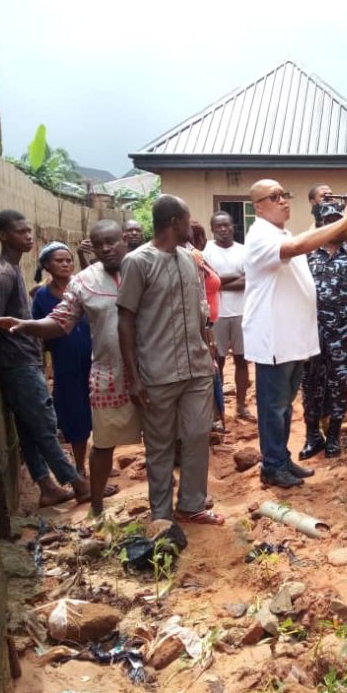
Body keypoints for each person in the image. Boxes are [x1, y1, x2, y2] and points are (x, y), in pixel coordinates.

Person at [0, 221, 140, 517]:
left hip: (152, 374)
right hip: (107, 374)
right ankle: (95, 507)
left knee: (163, 442)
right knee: (102, 441)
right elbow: (60, 321)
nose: (106, 248)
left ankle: (164, 508)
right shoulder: (82, 282)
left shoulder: (145, 268)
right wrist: (25, 325)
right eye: (99, 244)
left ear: (124, 241)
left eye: (111, 242)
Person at [244, 179, 347, 488]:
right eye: (274, 196)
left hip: (292, 341)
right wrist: (346, 222)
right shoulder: (259, 236)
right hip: (273, 340)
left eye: (285, 194)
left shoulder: (280, 232)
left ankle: (281, 459)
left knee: (284, 406)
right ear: (258, 206)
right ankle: (271, 466)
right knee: (273, 407)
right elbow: (298, 248)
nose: (283, 200)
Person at [117, 195, 223, 526]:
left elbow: (200, 311)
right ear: (174, 222)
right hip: (158, 372)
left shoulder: (190, 259)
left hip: (197, 368)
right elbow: (125, 320)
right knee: (160, 447)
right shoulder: (138, 262)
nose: (192, 225)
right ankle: (161, 514)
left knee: (196, 435)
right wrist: (133, 377)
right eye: (188, 218)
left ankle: (191, 504)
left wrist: (210, 350)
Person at [0, 210, 90, 507]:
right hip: (17, 362)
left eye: (29, 231)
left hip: (22, 360)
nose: (28, 236)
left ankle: (47, 486)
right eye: (21, 232)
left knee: (28, 427)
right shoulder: (3, 273)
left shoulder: (12, 269)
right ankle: (78, 483)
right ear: (3, 235)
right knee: (44, 424)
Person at [299, 204, 347, 459]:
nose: (334, 224)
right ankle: (312, 435)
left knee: (338, 384)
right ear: (321, 223)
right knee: (310, 384)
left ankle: (333, 435)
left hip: (343, 333)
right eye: (328, 220)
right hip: (311, 332)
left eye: (338, 219)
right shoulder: (307, 254)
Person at [31, 242, 93, 474]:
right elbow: (39, 332)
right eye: (59, 260)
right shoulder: (42, 297)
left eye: (68, 260)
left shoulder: (84, 287)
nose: (66, 264)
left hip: (94, 361)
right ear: (47, 265)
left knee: (100, 413)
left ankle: (100, 461)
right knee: (75, 416)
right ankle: (80, 468)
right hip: (65, 365)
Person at [202, 212, 253, 421]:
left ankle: (241, 406)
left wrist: (220, 281)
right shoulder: (206, 252)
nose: (223, 229)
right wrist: (232, 279)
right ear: (212, 229)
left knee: (242, 361)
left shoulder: (244, 251)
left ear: (233, 227)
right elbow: (207, 282)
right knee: (217, 362)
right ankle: (218, 411)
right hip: (217, 315)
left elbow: (250, 280)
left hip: (242, 312)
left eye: (226, 225)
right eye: (218, 226)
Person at [188, 231, 227, 433]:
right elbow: (198, 300)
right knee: (207, 374)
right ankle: (210, 421)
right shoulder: (189, 260)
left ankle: (215, 419)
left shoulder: (199, 259)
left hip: (207, 325)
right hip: (197, 329)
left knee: (214, 372)